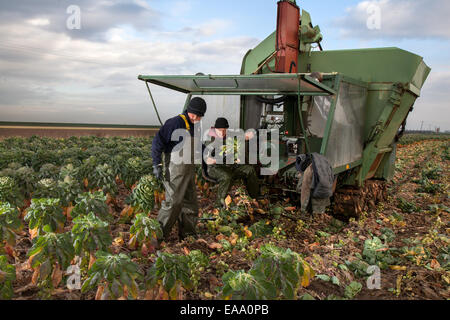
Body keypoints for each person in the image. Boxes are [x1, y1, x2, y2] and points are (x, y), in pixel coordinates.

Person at [151, 97, 207, 245]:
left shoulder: (194, 126)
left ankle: (188, 236)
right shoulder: (175, 122)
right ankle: (157, 237)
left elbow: (198, 145)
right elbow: (158, 141)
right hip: (175, 168)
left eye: (201, 116)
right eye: (198, 115)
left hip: (188, 169)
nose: (199, 119)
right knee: (174, 202)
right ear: (191, 112)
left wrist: (208, 155)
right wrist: (156, 164)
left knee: (190, 203)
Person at [205, 117, 260, 206]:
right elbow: (207, 159)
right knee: (227, 176)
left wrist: (249, 135)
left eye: (224, 130)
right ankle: (219, 204)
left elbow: (242, 137)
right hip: (215, 168)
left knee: (249, 170)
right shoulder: (211, 140)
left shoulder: (229, 135)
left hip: (230, 166)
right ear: (215, 129)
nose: (222, 133)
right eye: (220, 131)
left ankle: (254, 198)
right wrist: (214, 160)